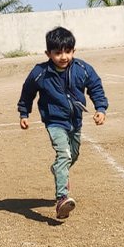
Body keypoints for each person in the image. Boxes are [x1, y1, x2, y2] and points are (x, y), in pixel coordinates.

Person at [17, 27, 108, 219]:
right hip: (55, 121)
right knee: (64, 154)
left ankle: (58, 169)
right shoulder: (40, 73)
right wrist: (24, 113)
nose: (63, 57)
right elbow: (27, 93)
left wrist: (100, 108)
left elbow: (95, 87)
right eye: (58, 53)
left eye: (68, 51)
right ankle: (62, 199)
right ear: (48, 53)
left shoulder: (83, 69)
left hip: (75, 120)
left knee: (72, 155)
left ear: (74, 51)